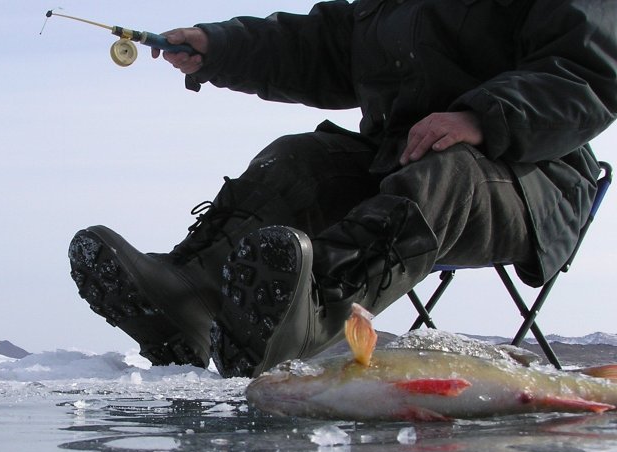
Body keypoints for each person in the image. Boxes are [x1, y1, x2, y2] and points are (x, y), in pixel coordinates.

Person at [69, 0, 617, 379]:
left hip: (528, 173)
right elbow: (321, 45)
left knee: (444, 171)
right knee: (300, 160)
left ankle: (308, 312)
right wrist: (221, 47)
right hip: (398, 160)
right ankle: (188, 298)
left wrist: (482, 116)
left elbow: (591, 69)